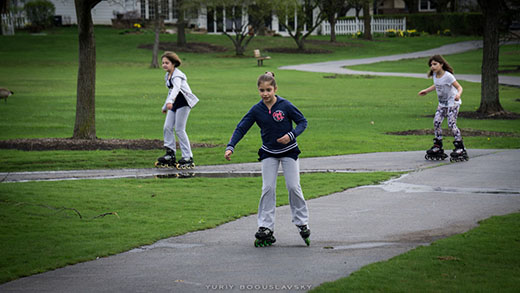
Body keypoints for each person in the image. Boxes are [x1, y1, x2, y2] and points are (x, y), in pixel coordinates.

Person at [224, 72, 311, 247]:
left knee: (293, 187)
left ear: (275, 89)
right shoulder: (257, 109)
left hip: (289, 151)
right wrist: (230, 146)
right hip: (268, 153)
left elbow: (302, 122)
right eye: (262, 90)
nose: (265, 94)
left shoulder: (285, 105)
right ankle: (265, 227)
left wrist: (291, 135)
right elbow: (242, 127)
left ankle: (302, 223)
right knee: (268, 188)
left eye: (268, 90)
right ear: (258, 90)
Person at [418, 55, 468, 162]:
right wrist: (426, 91)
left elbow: (459, 87)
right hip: (442, 104)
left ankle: (460, 146)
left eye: (435, 64)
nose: (433, 66)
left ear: (441, 64)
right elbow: (437, 85)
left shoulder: (448, 76)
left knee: (451, 123)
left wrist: (458, 95)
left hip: (452, 103)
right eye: (431, 64)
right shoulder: (435, 75)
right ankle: (438, 145)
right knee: (436, 122)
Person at [155, 51, 199, 169]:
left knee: (179, 129)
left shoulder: (177, 75)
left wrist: (170, 101)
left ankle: (188, 156)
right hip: (174, 103)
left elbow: (176, 89)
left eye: (167, 63)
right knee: (167, 127)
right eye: (163, 63)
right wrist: (165, 106)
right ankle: (170, 153)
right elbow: (170, 91)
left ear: (173, 63)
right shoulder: (167, 76)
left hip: (183, 103)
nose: (164, 65)